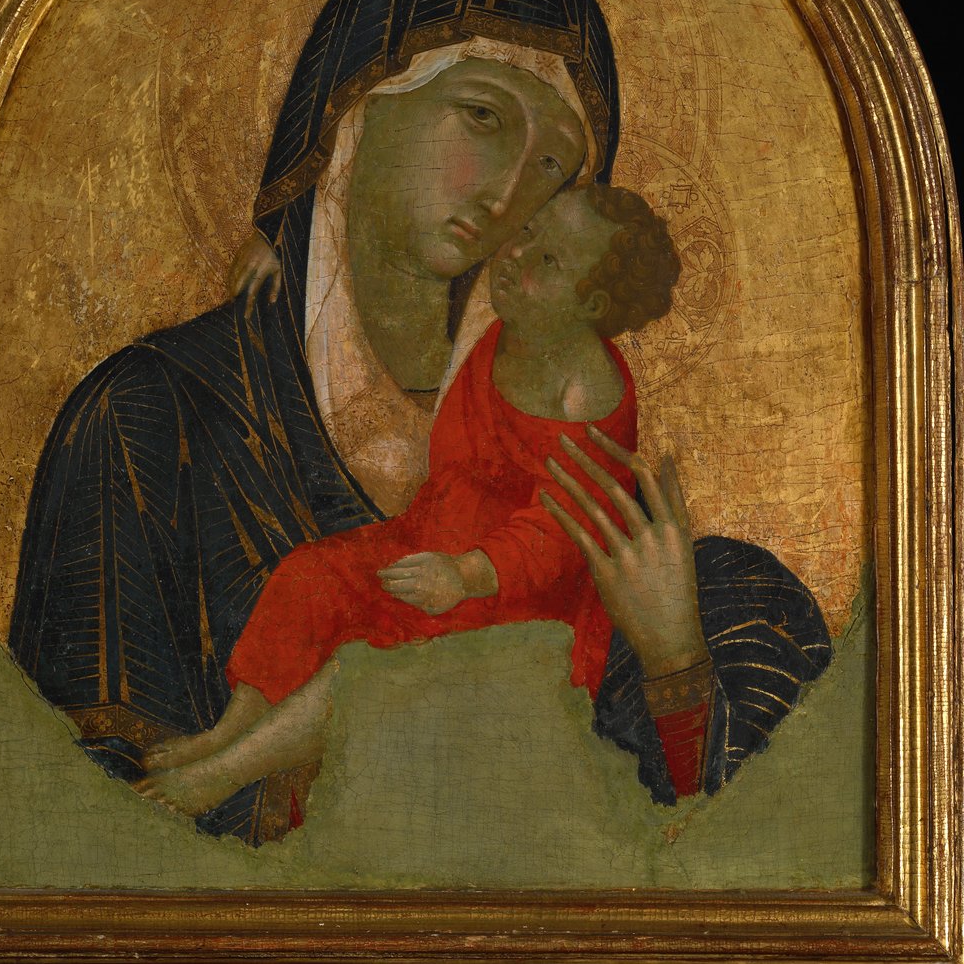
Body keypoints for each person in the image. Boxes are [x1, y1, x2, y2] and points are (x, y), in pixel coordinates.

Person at [9, 0, 830, 844]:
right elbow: (80, 818)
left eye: (553, 162)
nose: (510, 190)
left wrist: (675, 656)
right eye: (483, 116)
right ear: (353, 104)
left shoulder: (568, 424)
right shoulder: (149, 422)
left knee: (742, 594)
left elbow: (694, 834)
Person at [133, 185, 700, 817]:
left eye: (548, 260)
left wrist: (467, 574)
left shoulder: (584, 391)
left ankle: (225, 774)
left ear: (590, 303)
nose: (516, 255)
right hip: (431, 540)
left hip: (517, 603)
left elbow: (560, 533)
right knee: (310, 577)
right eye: (527, 233)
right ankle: (228, 732)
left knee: (369, 662)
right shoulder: (505, 332)